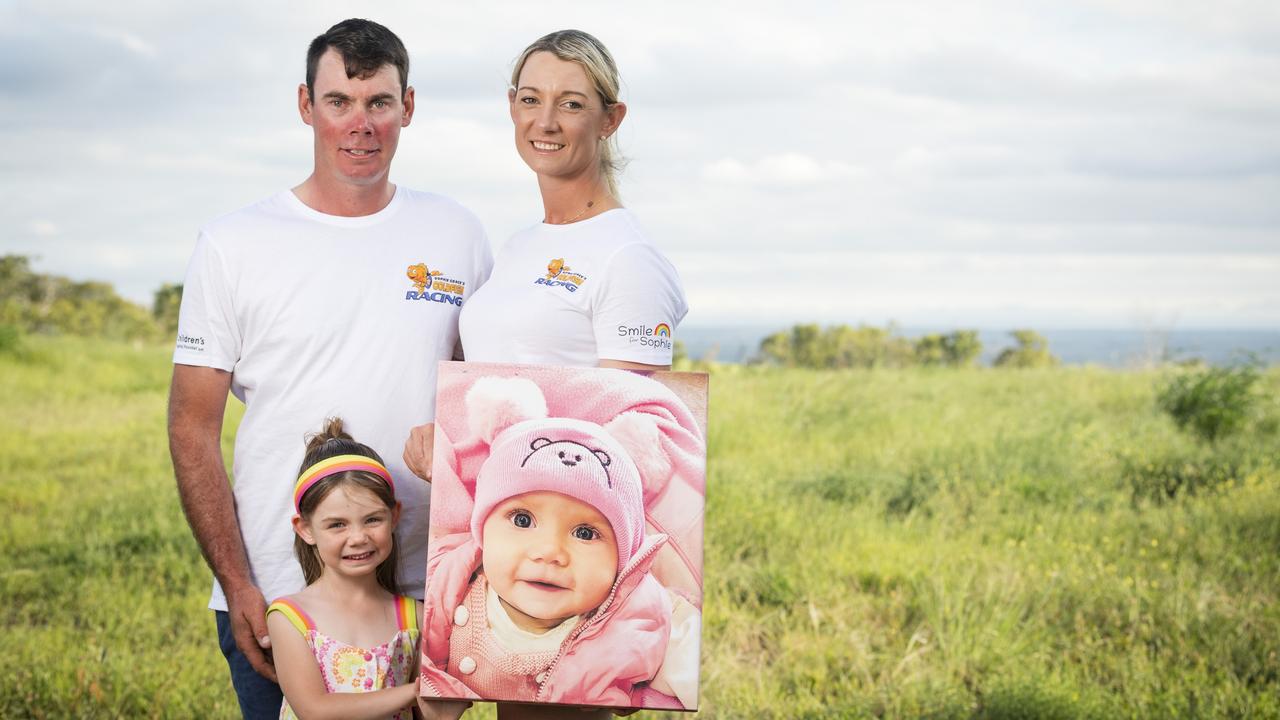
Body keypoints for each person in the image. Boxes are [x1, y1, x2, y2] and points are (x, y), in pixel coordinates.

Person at [168, 18, 492, 719]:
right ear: (305, 105)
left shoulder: (457, 233)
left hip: (419, 588)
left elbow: (483, 405)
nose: (360, 123)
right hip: (281, 592)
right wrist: (239, 582)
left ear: (408, 107)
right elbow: (192, 429)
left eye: (379, 102)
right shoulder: (233, 244)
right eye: (339, 100)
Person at [404, 28, 685, 478]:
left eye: (571, 103)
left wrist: (485, 471)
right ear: (512, 105)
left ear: (610, 119)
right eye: (531, 100)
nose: (546, 121)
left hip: (553, 534)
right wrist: (448, 448)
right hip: (491, 521)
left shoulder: (629, 257)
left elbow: (630, 452)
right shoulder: (519, 247)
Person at [417, 380, 697, 710]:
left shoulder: (643, 618)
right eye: (522, 520)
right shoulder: (450, 580)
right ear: (482, 531)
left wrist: (633, 693)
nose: (549, 552)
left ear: (624, 558)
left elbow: (692, 676)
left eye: (585, 533)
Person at [267, 419, 422, 719]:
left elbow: (427, 715)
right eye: (337, 525)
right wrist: (416, 691)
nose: (358, 538)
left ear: (394, 516)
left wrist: (448, 697)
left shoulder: (413, 617)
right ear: (306, 529)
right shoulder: (290, 617)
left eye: (373, 519)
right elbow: (314, 710)